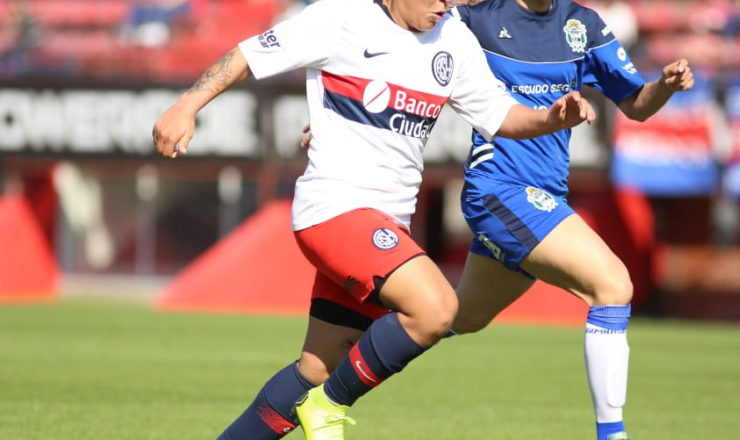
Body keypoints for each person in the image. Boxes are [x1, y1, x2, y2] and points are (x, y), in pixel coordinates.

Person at [151, 0, 596, 439]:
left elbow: (501, 117)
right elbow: (248, 55)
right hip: (334, 209)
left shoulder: (454, 40)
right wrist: (187, 104)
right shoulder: (340, 17)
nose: (447, 5)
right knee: (436, 308)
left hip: (385, 223)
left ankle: (302, 405)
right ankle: (329, 408)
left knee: (316, 368)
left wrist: (550, 117)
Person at [300, 1, 693, 438]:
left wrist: (665, 86)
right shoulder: (477, 18)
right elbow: (397, 45)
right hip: (500, 191)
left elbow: (636, 104)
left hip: (544, 195)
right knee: (613, 285)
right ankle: (613, 435)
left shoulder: (582, 24)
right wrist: (345, 117)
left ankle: (328, 380)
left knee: (454, 317)